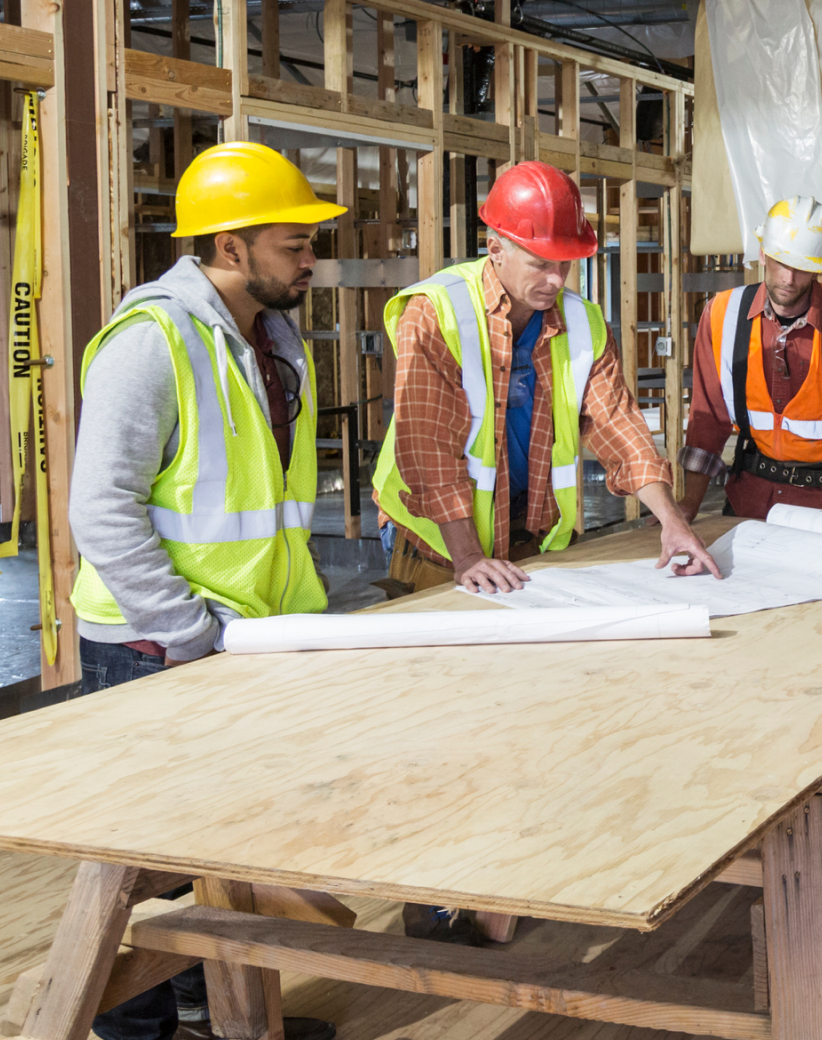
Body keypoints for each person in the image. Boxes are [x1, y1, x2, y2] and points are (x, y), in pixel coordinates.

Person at [68, 141, 340, 1040]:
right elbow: (101, 511)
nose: (311, 260)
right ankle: (137, 1033)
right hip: (155, 645)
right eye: (292, 244)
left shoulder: (270, 336)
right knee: (140, 857)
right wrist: (187, 630)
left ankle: (223, 1015)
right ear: (229, 247)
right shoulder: (149, 343)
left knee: (227, 850)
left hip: (247, 638)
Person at [371, 160, 720, 595]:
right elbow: (428, 446)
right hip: (439, 545)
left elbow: (619, 426)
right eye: (540, 264)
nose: (557, 279)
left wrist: (672, 520)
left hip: (531, 542)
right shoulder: (436, 312)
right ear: (495, 248)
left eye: (566, 264)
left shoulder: (582, 322)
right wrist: (467, 556)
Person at [678, 196, 822, 521]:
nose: (789, 279)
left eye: (803, 268)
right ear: (763, 254)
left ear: (820, 267)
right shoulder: (721, 315)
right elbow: (708, 419)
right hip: (750, 504)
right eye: (782, 262)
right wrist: (687, 506)